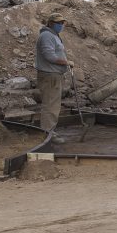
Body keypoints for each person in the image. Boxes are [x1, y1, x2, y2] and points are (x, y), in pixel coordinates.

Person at [35, 13, 73, 142]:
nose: (61, 25)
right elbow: (49, 56)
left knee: (53, 105)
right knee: (50, 105)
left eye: (62, 23)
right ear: (50, 23)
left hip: (54, 75)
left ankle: (49, 132)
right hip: (49, 75)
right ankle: (47, 134)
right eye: (58, 23)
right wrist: (66, 62)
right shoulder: (46, 36)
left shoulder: (53, 35)